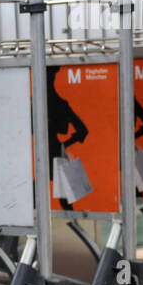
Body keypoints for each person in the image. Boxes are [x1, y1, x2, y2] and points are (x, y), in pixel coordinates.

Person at [47, 66, 89, 211]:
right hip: (46, 153)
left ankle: (74, 223)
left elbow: (83, 130)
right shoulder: (38, 102)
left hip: (54, 154)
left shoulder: (59, 104)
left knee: (65, 198)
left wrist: (64, 144)